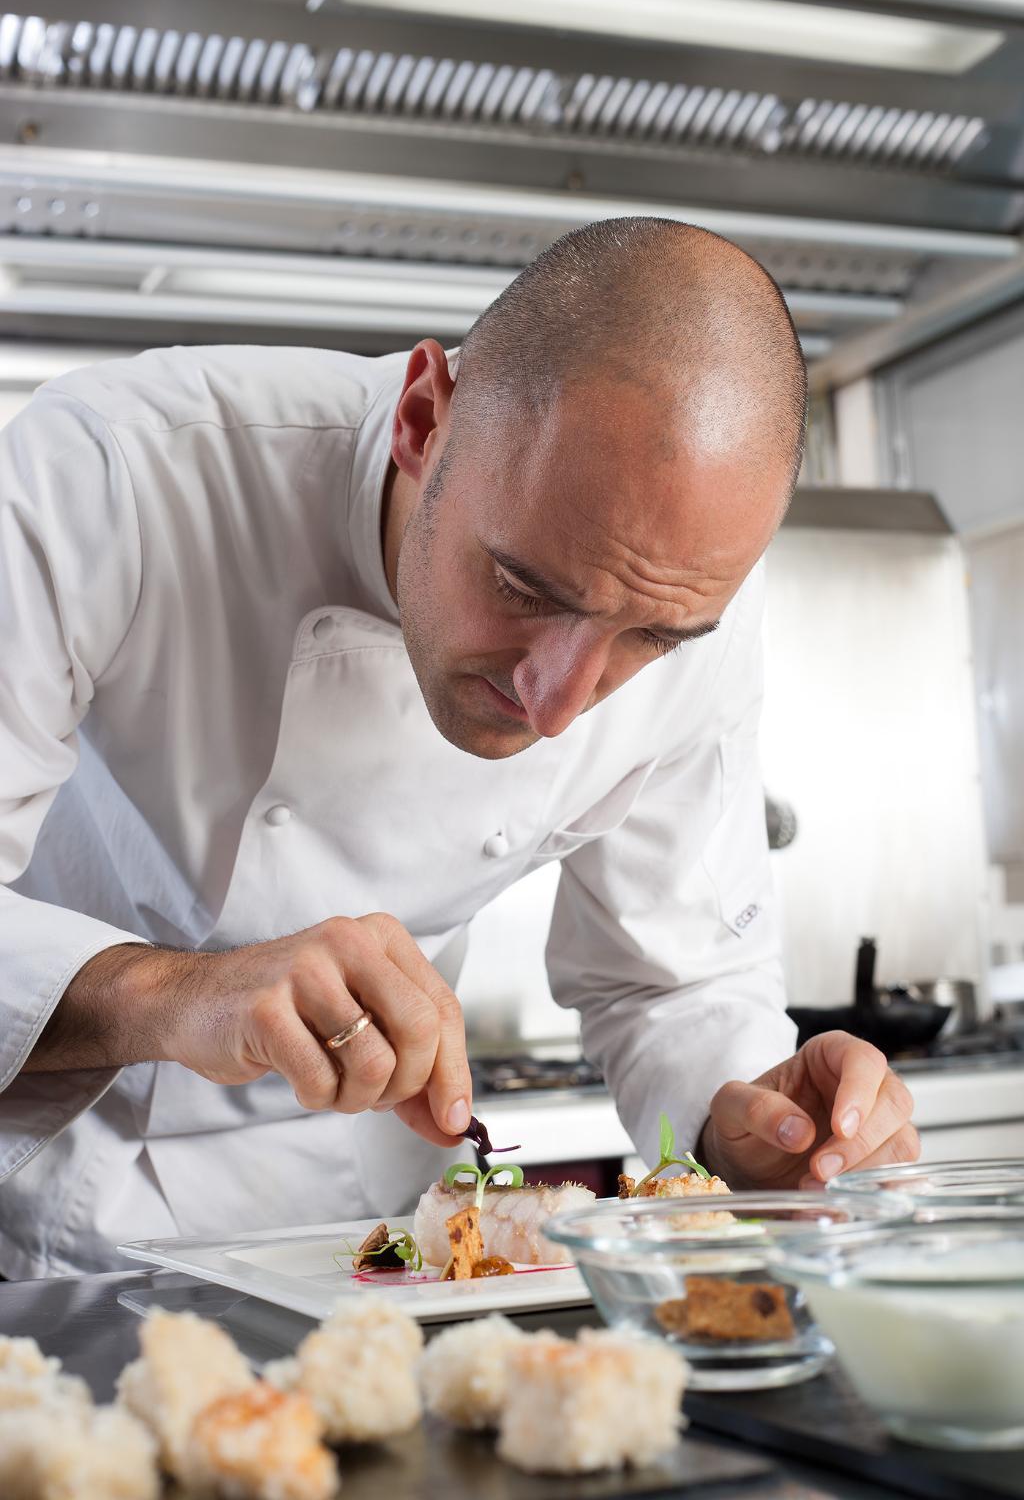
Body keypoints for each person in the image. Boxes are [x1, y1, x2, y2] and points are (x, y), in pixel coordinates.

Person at [0, 218, 918, 1278]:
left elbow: (673, 983)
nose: (556, 706)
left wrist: (755, 1126)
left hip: (369, 1253)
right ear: (423, 420)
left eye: (650, 640)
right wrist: (175, 996)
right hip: (40, 1223)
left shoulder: (692, 597)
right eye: (524, 586)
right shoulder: (114, 470)